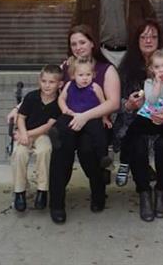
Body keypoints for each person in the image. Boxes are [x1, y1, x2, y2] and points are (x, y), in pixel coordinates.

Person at [113, 20, 163, 222]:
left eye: (153, 36)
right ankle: (144, 193)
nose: (148, 40)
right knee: (137, 143)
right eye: (143, 36)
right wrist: (128, 105)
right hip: (136, 121)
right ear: (136, 40)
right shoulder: (126, 68)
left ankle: (162, 191)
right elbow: (114, 101)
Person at [49, 25, 120, 224]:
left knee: (88, 151)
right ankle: (56, 203)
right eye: (73, 44)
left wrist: (85, 117)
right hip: (71, 120)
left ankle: (98, 193)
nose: (78, 47)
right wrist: (19, 108)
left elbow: (113, 103)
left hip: (95, 124)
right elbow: (48, 91)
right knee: (61, 151)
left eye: (82, 42)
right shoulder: (66, 68)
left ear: (92, 43)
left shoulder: (106, 69)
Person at [12, 64, 63, 212]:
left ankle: (42, 190)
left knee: (44, 151)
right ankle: (20, 191)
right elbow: (21, 118)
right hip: (24, 132)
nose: (47, 85)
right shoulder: (31, 97)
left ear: (59, 84)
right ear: (39, 81)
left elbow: (47, 126)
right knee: (19, 153)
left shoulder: (59, 102)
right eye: (44, 81)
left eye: (51, 82)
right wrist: (23, 133)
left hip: (42, 135)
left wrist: (27, 135)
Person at [57, 57, 113, 169]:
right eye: (81, 75)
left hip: (90, 117)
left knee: (99, 132)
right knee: (61, 122)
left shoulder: (95, 87)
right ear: (73, 75)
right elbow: (61, 98)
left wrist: (105, 118)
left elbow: (104, 104)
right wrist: (64, 108)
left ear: (93, 75)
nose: (85, 78)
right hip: (73, 115)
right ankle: (55, 137)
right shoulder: (69, 85)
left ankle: (103, 156)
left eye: (88, 74)